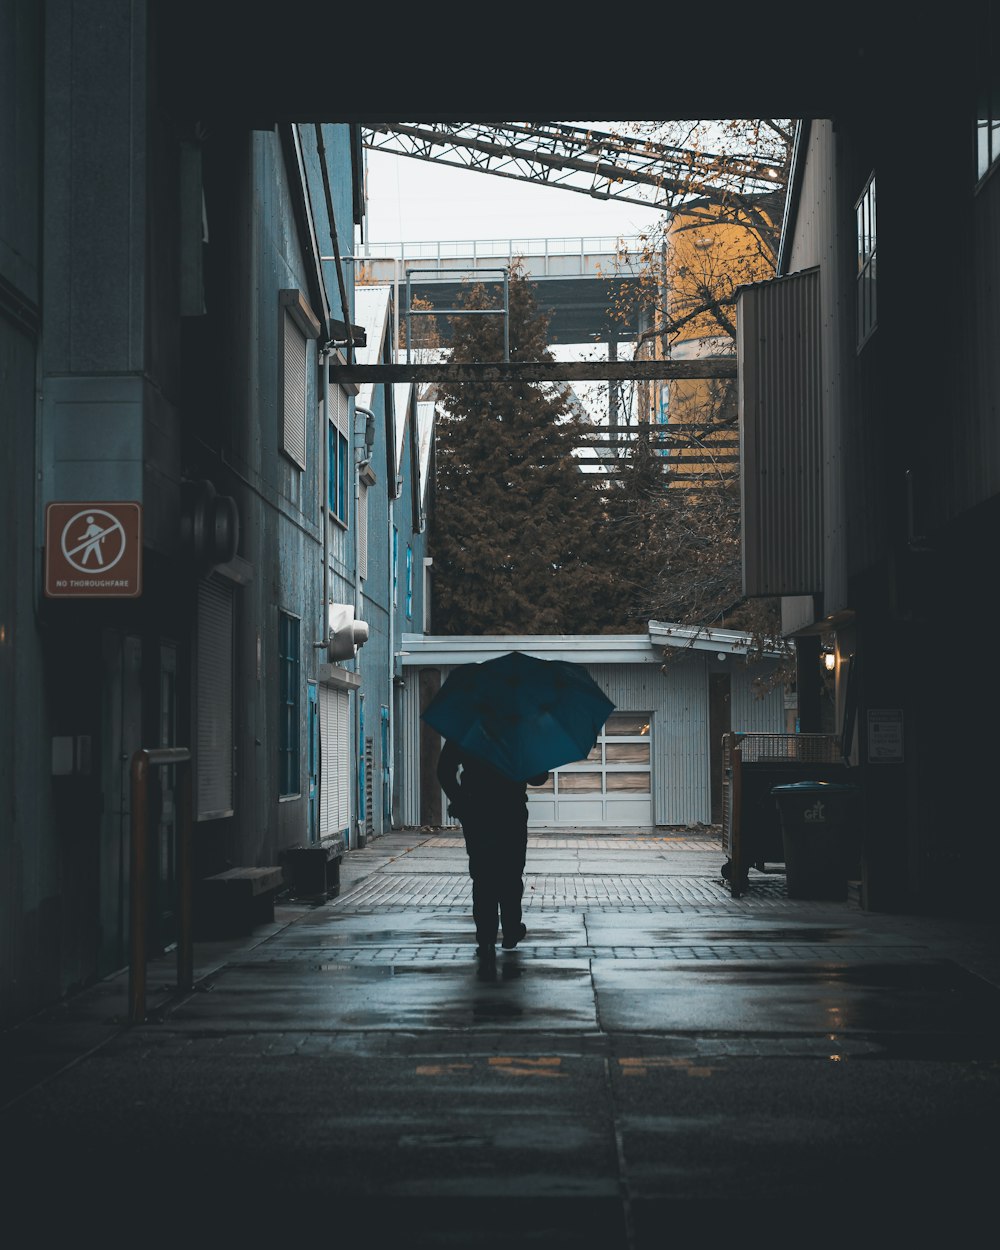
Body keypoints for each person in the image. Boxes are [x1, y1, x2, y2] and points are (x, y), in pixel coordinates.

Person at [436, 739, 548, 963]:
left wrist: (460, 799)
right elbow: (539, 777)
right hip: (510, 811)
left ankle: (486, 937)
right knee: (511, 872)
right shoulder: (518, 733)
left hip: (477, 812)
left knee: (483, 874)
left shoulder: (469, 729)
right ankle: (510, 929)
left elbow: (443, 770)